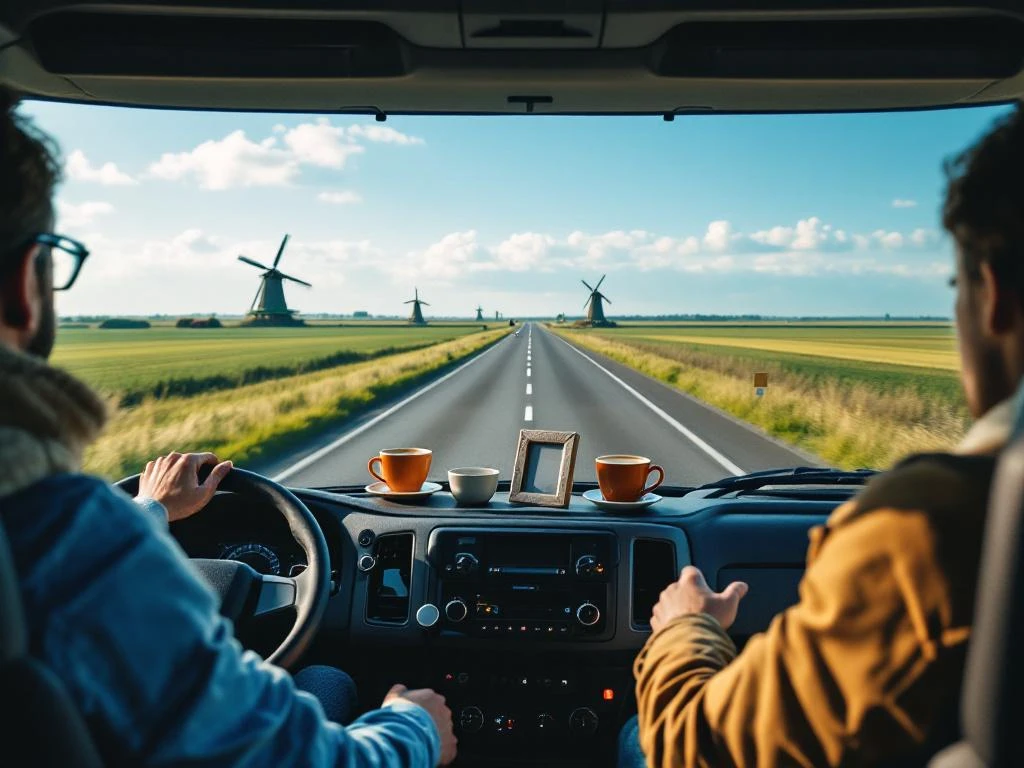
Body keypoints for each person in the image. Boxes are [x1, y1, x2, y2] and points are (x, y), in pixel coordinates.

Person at [0, 90, 457, 766]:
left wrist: (151, 511)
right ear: (25, 283)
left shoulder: (49, 537)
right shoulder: (67, 532)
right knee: (327, 681)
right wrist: (414, 729)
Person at [620, 106, 1024, 767]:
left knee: (636, 736)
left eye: (958, 287)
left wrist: (686, 630)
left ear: (993, 294)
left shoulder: (929, 527)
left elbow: (695, 747)